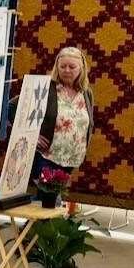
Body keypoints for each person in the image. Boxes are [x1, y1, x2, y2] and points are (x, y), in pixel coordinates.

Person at [31, 46, 95, 179]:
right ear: (57, 67)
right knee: (47, 195)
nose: (66, 70)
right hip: (47, 156)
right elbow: (13, 107)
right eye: (62, 66)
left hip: (72, 159)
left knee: (56, 194)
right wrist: (32, 135)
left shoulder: (86, 93)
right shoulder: (46, 88)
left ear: (81, 68)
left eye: (72, 67)